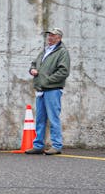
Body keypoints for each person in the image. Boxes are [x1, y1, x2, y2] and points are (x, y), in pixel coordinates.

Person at [25, 27, 71, 155]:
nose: (49, 38)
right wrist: (32, 70)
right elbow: (34, 63)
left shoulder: (62, 52)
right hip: (41, 89)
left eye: (53, 36)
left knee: (53, 118)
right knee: (40, 119)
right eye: (48, 35)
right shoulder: (45, 51)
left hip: (53, 89)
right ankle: (38, 145)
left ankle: (56, 145)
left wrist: (47, 80)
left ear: (59, 38)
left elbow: (64, 71)